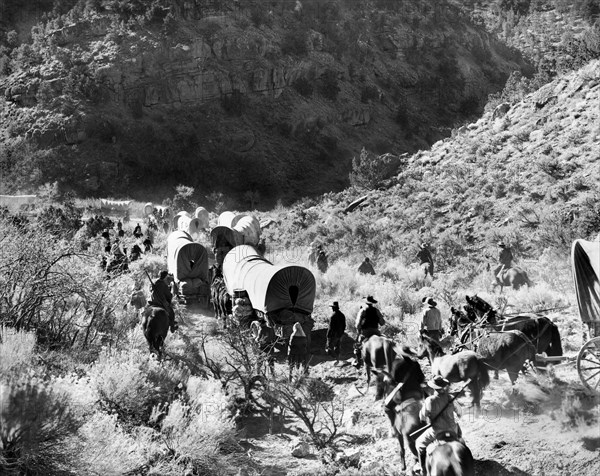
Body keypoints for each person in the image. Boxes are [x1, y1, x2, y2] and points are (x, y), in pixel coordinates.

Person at [415, 376, 462, 476]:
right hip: (452, 430)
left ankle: (422, 469)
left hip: (437, 432)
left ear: (433, 388)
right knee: (460, 434)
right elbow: (460, 413)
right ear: (444, 387)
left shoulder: (429, 400)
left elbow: (422, 417)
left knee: (419, 444)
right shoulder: (451, 398)